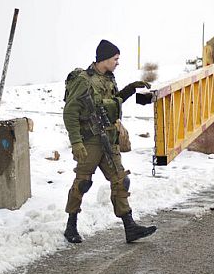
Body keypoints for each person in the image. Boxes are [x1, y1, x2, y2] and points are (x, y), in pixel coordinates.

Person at [62, 39, 157, 244]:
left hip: (109, 138)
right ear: (104, 59)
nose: (117, 62)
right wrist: (76, 142)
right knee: (83, 182)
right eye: (115, 58)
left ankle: (129, 227)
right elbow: (70, 112)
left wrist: (131, 89)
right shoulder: (84, 81)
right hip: (91, 141)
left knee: (121, 180)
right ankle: (71, 226)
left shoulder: (109, 79)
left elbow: (112, 104)